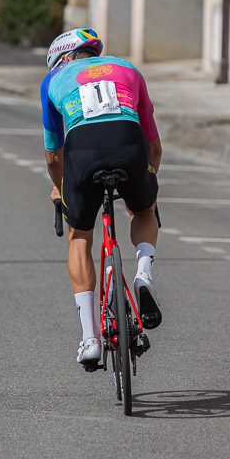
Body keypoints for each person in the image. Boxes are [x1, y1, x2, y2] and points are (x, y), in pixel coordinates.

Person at [41, 28, 163, 369]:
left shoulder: (53, 81)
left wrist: (62, 188)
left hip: (82, 152)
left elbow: (53, 156)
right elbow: (154, 147)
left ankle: (90, 339)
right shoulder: (128, 69)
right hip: (129, 143)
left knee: (80, 236)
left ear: (63, 60)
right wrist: (146, 185)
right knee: (144, 211)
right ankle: (143, 273)